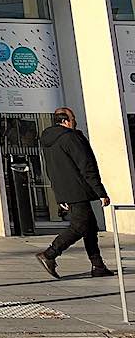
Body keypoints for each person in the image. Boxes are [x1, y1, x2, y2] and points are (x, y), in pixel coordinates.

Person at [36, 106, 115, 279]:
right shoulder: (70, 138)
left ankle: (98, 265)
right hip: (78, 190)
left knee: (90, 228)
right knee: (80, 226)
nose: (75, 121)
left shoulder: (49, 141)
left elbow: (52, 170)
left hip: (67, 191)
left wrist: (59, 195)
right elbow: (86, 166)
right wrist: (101, 192)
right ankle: (50, 254)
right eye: (73, 118)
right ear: (65, 120)